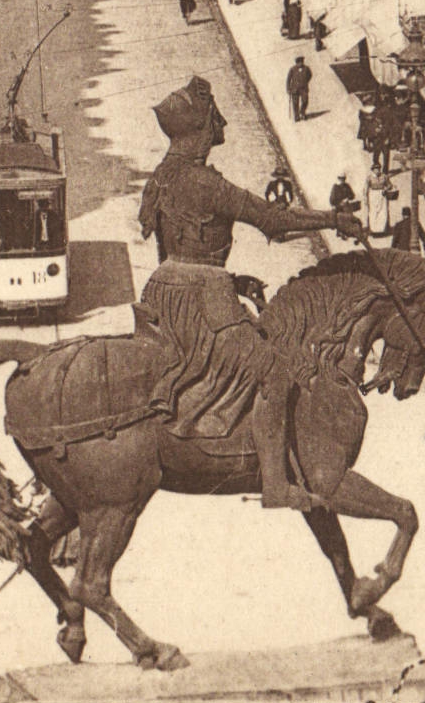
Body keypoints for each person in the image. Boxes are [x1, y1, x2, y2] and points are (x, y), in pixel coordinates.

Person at [137, 76, 358, 512]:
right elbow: (272, 220)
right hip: (203, 299)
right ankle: (275, 483)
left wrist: (231, 279)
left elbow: (176, 247)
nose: (221, 123)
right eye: (214, 117)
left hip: (162, 291)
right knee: (273, 371)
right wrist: (333, 220)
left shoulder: (161, 177)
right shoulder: (206, 183)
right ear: (202, 127)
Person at [285, 55, 312, 121]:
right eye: (299, 62)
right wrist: (288, 89)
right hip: (295, 89)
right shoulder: (292, 69)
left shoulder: (306, 68)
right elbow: (288, 79)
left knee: (305, 101)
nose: (301, 64)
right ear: (296, 63)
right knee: (295, 103)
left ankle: (302, 112)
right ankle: (296, 116)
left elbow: (310, 75)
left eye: (302, 62)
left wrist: (305, 82)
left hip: (303, 88)